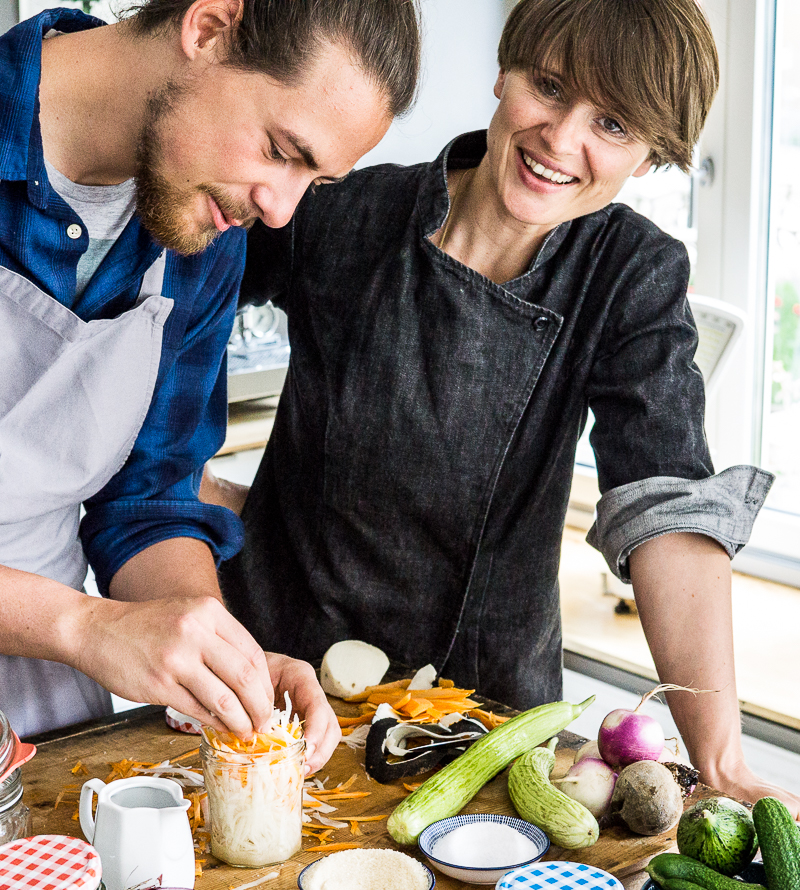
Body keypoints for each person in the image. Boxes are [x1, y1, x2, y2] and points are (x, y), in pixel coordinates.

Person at [0, 0, 421, 783]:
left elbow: (148, 504)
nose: (279, 207)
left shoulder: (202, 221)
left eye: (314, 178)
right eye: (279, 150)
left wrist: (216, 655)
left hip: (52, 708)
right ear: (207, 29)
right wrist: (88, 626)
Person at [213, 0, 800, 816]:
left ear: (651, 156)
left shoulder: (630, 273)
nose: (562, 140)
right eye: (550, 86)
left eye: (614, 125)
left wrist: (723, 759)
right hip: (267, 678)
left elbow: (667, 508)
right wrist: (183, 500)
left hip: (481, 722)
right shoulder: (343, 209)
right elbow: (170, 311)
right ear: (505, 68)